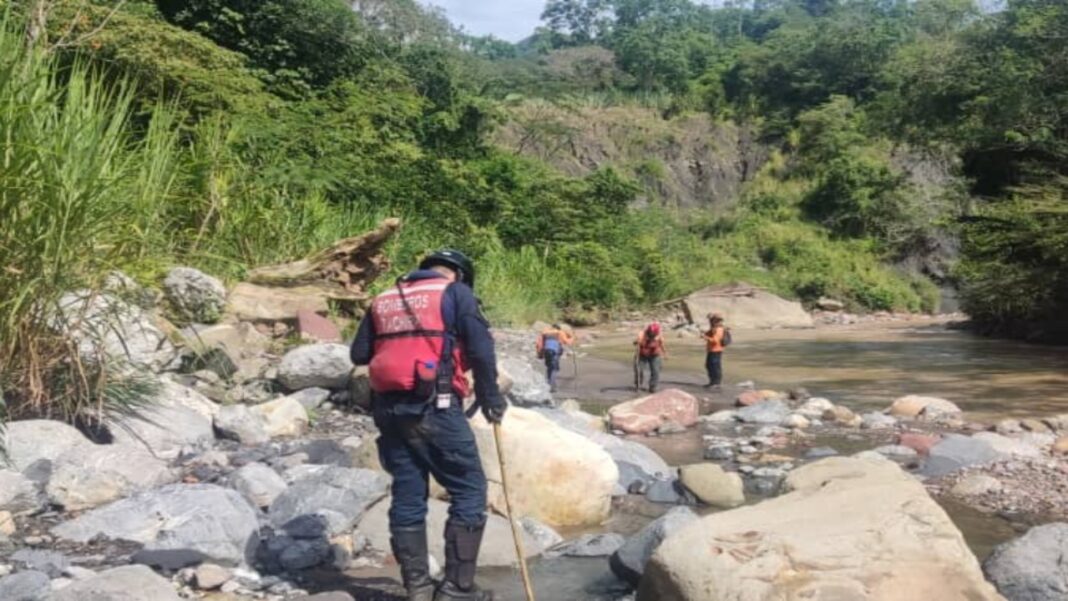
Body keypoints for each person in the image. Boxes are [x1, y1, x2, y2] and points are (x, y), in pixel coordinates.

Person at [350, 249, 506, 601]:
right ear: (459, 275)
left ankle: (418, 588)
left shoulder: (384, 298)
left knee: (408, 493)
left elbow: (359, 354)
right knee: (469, 489)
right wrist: (491, 397)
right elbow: (481, 350)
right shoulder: (455, 293)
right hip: (437, 407)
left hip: (388, 411)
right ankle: (456, 589)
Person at [536, 323, 574, 392]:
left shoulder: (545, 333)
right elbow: (567, 342)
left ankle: (549, 383)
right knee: (554, 368)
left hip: (546, 351)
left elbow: (539, 344)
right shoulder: (560, 333)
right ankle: (552, 386)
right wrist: (572, 338)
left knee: (549, 367)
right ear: (558, 328)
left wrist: (540, 354)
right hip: (554, 352)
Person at [633, 322, 666, 393]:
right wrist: (637, 342)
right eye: (651, 333)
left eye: (653, 334)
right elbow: (636, 343)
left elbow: (662, 345)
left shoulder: (659, 336)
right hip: (642, 354)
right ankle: (638, 384)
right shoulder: (642, 334)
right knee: (639, 369)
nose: (652, 335)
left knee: (656, 371)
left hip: (654, 355)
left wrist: (665, 354)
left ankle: (652, 387)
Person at [702, 313, 728, 389]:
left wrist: (705, 337)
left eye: (712, 320)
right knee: (709, 365)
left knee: (715, 367)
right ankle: (712, 382)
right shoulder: (714, 328)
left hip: (716, 350)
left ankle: (716, 383)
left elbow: (715, 341)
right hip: (712, 350)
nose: (711, 322)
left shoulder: (719, 329)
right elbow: (710, 335)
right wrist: (706, 335)